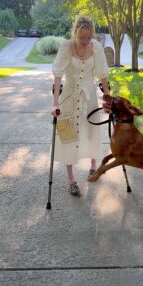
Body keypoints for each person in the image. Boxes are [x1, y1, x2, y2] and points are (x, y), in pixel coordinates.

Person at [51, 15, 110, 196]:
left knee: (91, 132)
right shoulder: (66, 47)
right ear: (75, 33)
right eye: (82, 38)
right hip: (69, 97)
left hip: (89, 97)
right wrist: (55, 103)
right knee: (69, 135)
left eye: (88, 37)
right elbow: (58, 77)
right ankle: (71, 180)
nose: (85, 42)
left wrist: (108, 99)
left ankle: (93, 167)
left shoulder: (97, 47)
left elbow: (103, 76)